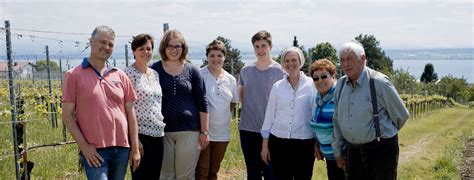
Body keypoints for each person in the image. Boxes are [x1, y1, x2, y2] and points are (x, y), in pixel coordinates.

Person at [62, 25, 140, 179]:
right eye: (102, 42)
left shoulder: (120, 75)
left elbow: (131, 114)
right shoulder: (73, 75)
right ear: (91, 41)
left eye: (110, 44)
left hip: (122, 148)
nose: (106, 47)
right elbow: (67, 116)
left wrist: (135, 148)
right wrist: (84, 147)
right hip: (95, 150)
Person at [332, 41, 409, 179]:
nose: (345, 64)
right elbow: (337, 119)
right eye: (342, 60)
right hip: (353, 150)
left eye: (350, 58)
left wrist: (383, 134)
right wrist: (338, 151)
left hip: (381, 150)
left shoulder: (379, 82)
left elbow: (401, 115)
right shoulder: (341, 85)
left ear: (362, 58)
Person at [150, 29, 209, 180]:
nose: (174, 50)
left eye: (178, 46)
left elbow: (202, 102)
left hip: (189, 130)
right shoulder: (153, 70)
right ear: (164, 47)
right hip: (162, 132)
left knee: (185, 176)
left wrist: (204, 132)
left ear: (183, 48)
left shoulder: (192, 71)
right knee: (165, 175)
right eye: (170, 46)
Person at [260, 47, 316, 179]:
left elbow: (315, 115)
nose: (290, 64)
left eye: (294, 60)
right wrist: (264, 146)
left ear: (300, 61)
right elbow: (269, 117)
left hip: (304, 144)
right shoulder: (277, 86)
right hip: (279, 143)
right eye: (287, 61)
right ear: (283, 63)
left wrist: (317, 142)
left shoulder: (312, 84)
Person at [238, 30, 284, 180]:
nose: (260, 50)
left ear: (270, 46)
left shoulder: (280, 72)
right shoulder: (246, 71)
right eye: (256, 46)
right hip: (248, 130)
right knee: (253, 173)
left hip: (272, 131)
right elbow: (242, 98)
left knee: (271, 173)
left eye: (263, 46)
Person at [196, 39, 239, 180]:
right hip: (203, 133)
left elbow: (232, 103)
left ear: (224, 57)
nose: (216, 59)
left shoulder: (231, 79)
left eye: (219, 55)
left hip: (222, 133)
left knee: (214, 171)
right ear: (207, 57)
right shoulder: (199, 76)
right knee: (202, 171)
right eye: (212, 56)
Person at [124, 34, 166, 179]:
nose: (145, 52)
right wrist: (134, 141)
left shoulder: (155, 74)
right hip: (140, 135)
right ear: (134, 51)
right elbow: (124, 109)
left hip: (158, 134)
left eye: (148, 48)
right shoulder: (127, 74)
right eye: (141, 48)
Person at [309, 59, 345, 180]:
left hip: (343, 157)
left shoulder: (339, 96)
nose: (320, 81)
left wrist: (340, 155)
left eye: (324, 76)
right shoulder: (319, 99)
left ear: (333, 76)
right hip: (330, 158)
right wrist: (317, 144)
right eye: (316, 78)